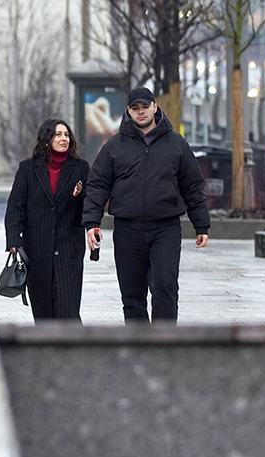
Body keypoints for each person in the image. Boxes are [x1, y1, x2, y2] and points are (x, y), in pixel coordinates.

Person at [82, 87, 210, 324]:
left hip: (166, 228)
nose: (141, 113)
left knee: (165, 288)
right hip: (127, 229)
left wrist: (201, 224)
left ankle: (164, 345)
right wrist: (91, 222)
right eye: (135, 108)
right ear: (128, 111)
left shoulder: (176, 144)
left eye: (145, 107)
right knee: (131, 295)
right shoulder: (114, 146)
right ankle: (138, 345)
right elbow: (98, 185)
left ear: (155, 107)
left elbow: (192, 186)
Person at [4, 119, 91, 321]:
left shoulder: (80, 168)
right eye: (58, 134)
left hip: (69, 249)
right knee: (43, 311)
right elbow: (16, 205)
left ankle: (73, 350)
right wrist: (14, 240)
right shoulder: (27, 169)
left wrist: (78, 196)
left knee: (68, 310)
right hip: (37, 249)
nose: (63, 139)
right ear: (47, 139)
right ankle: (45, 350)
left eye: (66, 135)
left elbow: (89, 206)